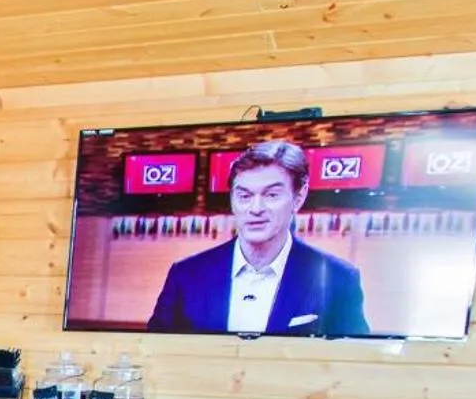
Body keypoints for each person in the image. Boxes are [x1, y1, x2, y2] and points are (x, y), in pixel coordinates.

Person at [146, 140, 369, 337]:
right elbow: (152, 355)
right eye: (244, 196)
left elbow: (353, 365)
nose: (255, 209)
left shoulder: (338, 278)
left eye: (271, 195)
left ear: (298, 198)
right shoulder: (186, 274)